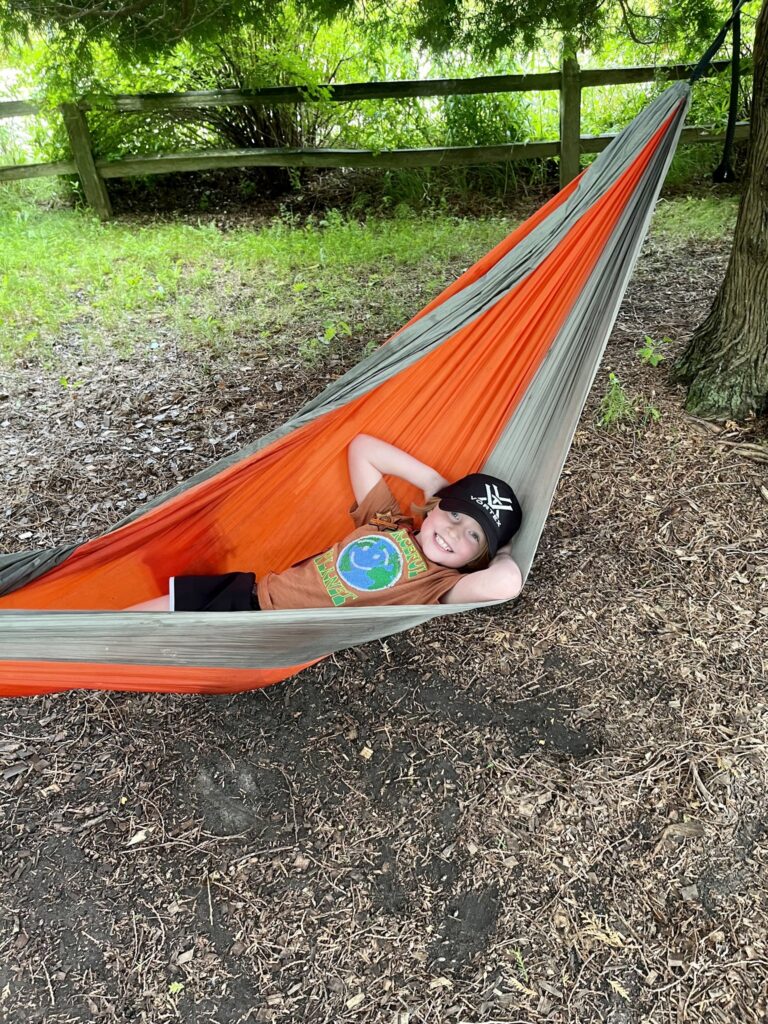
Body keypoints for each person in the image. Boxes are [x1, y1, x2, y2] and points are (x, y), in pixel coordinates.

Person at [130, 434, 523, 612]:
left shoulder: (438, 585)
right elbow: (363, 448)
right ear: (432, 508)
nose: (454, 531)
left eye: (474, 534)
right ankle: (82, 644)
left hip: (273, 631)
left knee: (169, 640)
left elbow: (505, 582)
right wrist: (434, 483)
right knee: (138, 620)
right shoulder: (387, 522)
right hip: (251, 594)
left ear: (477, 559)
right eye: (453, 512)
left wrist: (502, 553)